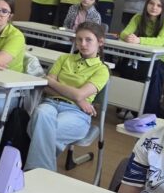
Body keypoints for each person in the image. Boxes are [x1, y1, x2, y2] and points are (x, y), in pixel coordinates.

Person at [25, 22, 109, 171]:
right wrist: (78, 100)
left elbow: (78, 93)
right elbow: (46, 87)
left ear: (100, 42)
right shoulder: (64, 58)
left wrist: (54, 83)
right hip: (51, 103)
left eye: (88, 40)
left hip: (77, 113)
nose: (83, 44)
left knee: (42, 128)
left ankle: (33, 172)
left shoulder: (102, 70)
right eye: (79, 39)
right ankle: (40, 176)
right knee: (41, 113)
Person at [119, 0, 164, 115]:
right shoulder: (138, 17)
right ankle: (127, 104)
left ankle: (146, 112)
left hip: (163, 61)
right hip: (144, 58)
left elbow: (159, 41)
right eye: (151, 3)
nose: (154, 7)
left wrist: (139, 40)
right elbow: (124, 33)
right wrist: (128, 37)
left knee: (148, 73)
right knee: (126, 65)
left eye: (159, 5)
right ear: (146, 4)